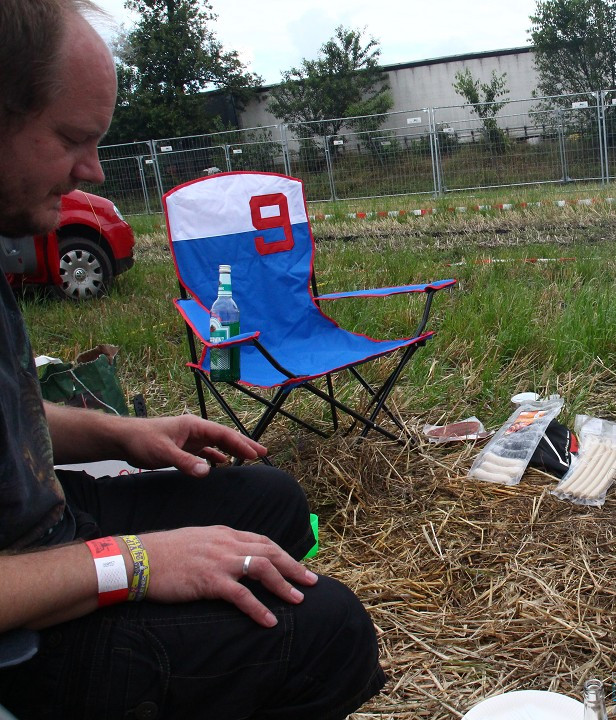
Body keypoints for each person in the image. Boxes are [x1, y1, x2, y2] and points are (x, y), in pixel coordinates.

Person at [0, 1, 386, 716]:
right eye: (71, 139)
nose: (93, 174)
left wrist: (122, 435)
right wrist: (137, 564)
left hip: (44, 520)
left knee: (271, 497)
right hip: (21, 625)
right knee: (331, 632)